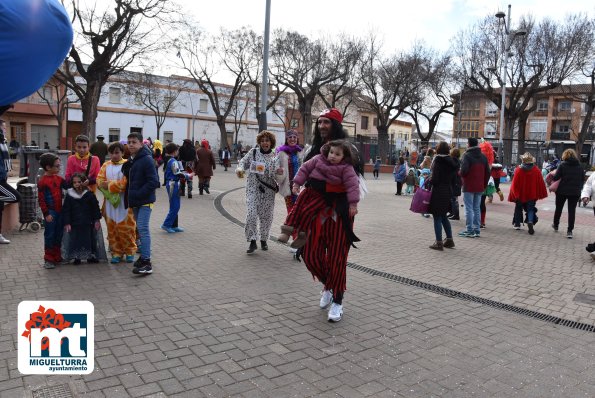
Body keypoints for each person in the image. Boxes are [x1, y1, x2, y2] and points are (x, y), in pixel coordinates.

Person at [298, 108, 362, 323]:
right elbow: (305, 175)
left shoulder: (349, 149)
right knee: (309, 253)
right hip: (315, 209)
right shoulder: (313, 148)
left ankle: (338, 300)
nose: (322, 126)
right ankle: (329, 284)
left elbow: (355, 182)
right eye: (320, 122)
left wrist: (349, 202)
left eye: (326, 122)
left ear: (335, 124)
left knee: (336, 256)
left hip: (339, 211)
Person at [277, 140, 359, 249]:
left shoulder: (346, 167)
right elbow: (304, 169)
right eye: (331, 152)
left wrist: (353, 204)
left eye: (338, 154)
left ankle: (302, 235)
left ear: (344, 156)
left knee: (307, 211)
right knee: (296, 209)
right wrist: (296, 184)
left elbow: (352, 185)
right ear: (327, 151)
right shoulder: (318, 158)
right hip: (308, 190)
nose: (333, 156)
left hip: (322, 196)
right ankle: (286, 231)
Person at [122, 132, 160, 275]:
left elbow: (153, 182)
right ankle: (143, 257)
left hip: (145, 201)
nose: (131, 144)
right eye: (129, 142)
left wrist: (138, 194)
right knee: (140, 229)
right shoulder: (134, 159)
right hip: (136, 201)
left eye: (134, 142)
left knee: (143, 229)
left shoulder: (146, 159)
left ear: (141, 144)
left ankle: (147, 262)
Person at [236, 130, 278, 253]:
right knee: (251, 214)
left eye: (267, 141)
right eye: (262, 141)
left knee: (266, 217)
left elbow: (279, 174)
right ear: (259, 142)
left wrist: (280, 174)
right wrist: (240, 169)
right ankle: (252, 240)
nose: (265, 143)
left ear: (271, 143)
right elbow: (243, 162)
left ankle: (264, 239)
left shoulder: (275, 156)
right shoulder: (253, 152)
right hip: (253, 188)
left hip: (268, 190)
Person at [97, 142, 137, 264]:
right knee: (112, 228)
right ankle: (116, 252)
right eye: (112, 153)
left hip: (124, 202)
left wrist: (108, 184)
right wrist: (110, 184)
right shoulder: (105, 165)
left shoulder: (127, 165)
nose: (114, 155)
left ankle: (130, 251)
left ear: (122, 153)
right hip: (110, 202)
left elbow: (125, 183)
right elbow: (99, 181)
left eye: (117, 152)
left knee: (127, 227)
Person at [62, 173, 106, 264]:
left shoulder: (89, 194)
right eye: (74, 182)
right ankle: (76, 256)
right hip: (75, 223)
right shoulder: (70, 195)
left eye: (79, 182)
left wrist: (96, 220)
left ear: (84, 182)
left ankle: (90, 256)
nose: (77, 184)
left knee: (90, 239)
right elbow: (66, 210)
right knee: (76, 240)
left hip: (88, 222)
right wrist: (67, 222)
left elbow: (95, 208)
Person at [38, 153, 67, 268]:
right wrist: (46, 214)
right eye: (57, 166)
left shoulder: (59, 179)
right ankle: (48, 259)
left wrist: (82, 181)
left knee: (59, 234)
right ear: (48, 167)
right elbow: (41, 200)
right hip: (50, 213)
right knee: (50, 235)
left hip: (60, 212)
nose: (59, 168)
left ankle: (57, 256)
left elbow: (69, 185)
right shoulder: (42, 182)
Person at [428, 141, 458, 250]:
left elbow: (435, 179)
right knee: (444, 215)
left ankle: (439, 242)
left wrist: (430, 179)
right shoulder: (452, 162)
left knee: (437, 216)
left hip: (438, 191)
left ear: (438, 149)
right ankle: (449, 240)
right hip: (448, 190)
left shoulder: (438, 161)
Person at [508, 153, 548, 235]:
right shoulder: (536, 170)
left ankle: (517, 224)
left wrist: (515, 194)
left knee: (518, 208)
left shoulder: (518, 170)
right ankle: (530, 221)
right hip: (532, 194)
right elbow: (540, 183)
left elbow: (514, 184)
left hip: (520, 194)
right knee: (530, 209)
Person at [459, 137, 489, 238]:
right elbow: (487, 173)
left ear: (468, 144)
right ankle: (477, 229)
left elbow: (463, 171)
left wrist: (460, 173)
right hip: (480, 186)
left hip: (469, 185)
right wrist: (484, 184)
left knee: (469, 208)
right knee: (477, 208)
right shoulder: (483, 157)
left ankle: (469, 229)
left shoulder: (466, 156)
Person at [551, 148, 584, 238]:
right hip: (575, 192)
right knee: (572, 211)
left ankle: (556, 225)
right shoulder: (580, 166)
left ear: (564, 155)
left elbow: (556, 178)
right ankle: (569, 231)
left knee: (558, 208)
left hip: (562, 191)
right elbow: (582, 179)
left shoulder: (562, 165)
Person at [162, 143, 193, 233]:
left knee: (175, 205)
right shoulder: (173, 161)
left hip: (174, 183)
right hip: (173, 184)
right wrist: (188, 175)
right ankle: (166, 224)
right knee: (175, 206)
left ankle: (174, 225)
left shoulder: (171, 160)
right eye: (177, 150)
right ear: (174, 151)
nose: (178, 151)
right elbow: (177, 173)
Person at [0, 119, 21, 244]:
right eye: (3, 128)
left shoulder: (3, 142)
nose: (5, 130)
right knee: (15, 196)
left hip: (3, 177)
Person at [275, 129, 303, 213]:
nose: (292, 139)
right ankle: (291, 224)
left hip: (299, 185)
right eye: (290, 137)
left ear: (297, 139)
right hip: (287, 185)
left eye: (294, 137)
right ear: (287, 139)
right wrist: (277, 170)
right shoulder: (281, 152)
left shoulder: (300, 152)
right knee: (290, 210)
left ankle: (297, 224)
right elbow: (275, 165)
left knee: (299, 208)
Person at [447, 147, 462, 221]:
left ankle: (455, 214)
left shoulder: (453, 160)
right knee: (453, 198)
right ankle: (452, 213)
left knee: (453, 199)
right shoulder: (458, 160)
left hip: (454, 181)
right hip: (457, 181)